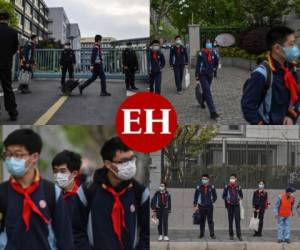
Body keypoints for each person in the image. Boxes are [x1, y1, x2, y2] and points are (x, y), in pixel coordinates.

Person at [0, 129, 74, 250]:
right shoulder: (2, 192)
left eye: (18, 155)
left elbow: (65, 238)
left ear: (34, 157)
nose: (11, 159)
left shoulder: (51, 192)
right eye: (8, 154)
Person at [72, 137, 149, 250]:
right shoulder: (87, 191)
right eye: (123, 161)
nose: (130, 165)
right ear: (108, 164)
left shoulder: (141, 193)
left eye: (132, 159)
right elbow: (76, 230)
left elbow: (148, 234)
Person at [241, 26, 300, 125]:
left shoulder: (292, 69)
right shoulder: (261, 74)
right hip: (268, 130)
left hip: (287, 128)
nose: (295, 48)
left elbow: (297, 97)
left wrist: (291, 116)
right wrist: (262, 126)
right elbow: (247, 105)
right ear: (277, 48)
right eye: (291, 44)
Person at [0, 10, 19, 121]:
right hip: (6, 64)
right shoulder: (13, 32)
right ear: (8, 19)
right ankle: (12, 113)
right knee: (7, 88)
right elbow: (14, 48)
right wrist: (7, 56)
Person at [52, 150, 82, 215]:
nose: (58, 175)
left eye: (63, 171)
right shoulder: (51, 194)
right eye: (55, 171)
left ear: (74, 174)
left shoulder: (80, 199)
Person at [195, 39, 219, 120]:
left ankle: (202, 102)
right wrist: (197, 75)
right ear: (204, 44)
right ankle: (213, 112)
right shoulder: (201, 54)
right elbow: (198, 65)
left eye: (210, 42)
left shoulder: (214, 52)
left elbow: (216, 61)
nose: (209, 44)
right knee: (208, 92)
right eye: (207, 42)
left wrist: (215, 68)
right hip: (202, 75)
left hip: (210, 75)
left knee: (206, 90)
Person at [193, 174, 217, 239]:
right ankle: (201, 234)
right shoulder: (199, 187)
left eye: (205, 179)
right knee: (202, 221)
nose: (204, 180)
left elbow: (215, 196)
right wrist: (195, 205)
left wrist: (212, 201)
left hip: (209, 206)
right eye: (203, 179)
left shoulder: (212, 187)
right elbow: (196, 196)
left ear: (208, 180)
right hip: (201, 206)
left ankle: (212, 234)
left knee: (210, 221)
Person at [222, 174, 243, 241]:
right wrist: (227, 199)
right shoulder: (227, 187)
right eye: (231, 178)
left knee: (237, 221)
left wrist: (239, 198)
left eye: (233, 178)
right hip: (230, 206)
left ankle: (239, 235)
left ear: (236, 179)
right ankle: (231, 235)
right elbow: (223, 196)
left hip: (236, 205)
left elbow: (241, 196)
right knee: (230, 221)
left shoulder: (238, 187)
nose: (232, 179)